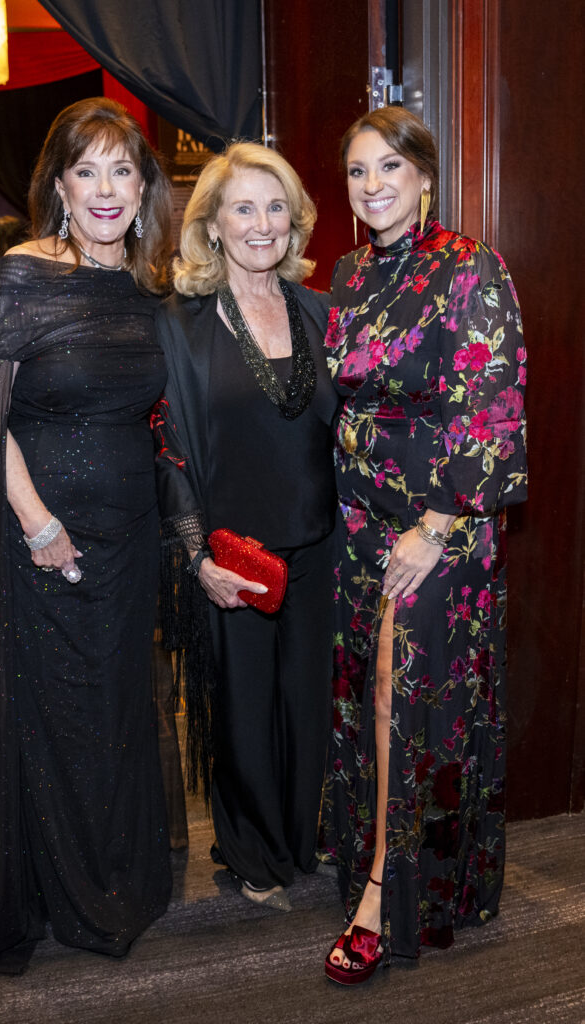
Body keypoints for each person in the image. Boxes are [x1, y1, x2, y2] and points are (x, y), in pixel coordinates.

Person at [0, 97, 175, 973]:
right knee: (55, 703)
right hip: (48, 533)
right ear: (59, 186)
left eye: (121, 170)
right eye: (85, 170)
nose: (105, 189)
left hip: (129, 530)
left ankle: (112, 871)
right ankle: (55, 888)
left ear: (142, 188)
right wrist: (38, 527)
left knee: (115, 701)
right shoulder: (26, 272)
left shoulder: (148, 286)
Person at [321, 107, 527, 984]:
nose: (372, 186)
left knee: (403, 692)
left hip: (440, 521)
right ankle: (423, 871)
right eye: (358, 172)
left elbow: (491, 404)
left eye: (389, 169)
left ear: (424, 177)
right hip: (360, 515)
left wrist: (435, 526)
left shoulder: (470, 267)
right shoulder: (348, 270)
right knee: (369, 691)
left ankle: (383, 894)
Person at [155, 142, 337, 911]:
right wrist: (196, 553)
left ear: (292, 221)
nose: (261, 223)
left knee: (307, 701)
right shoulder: (182, 323)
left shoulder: (321, 310)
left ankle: (300, 842)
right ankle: (249, 850)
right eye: (242, 207)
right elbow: (166, 448)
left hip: (322, 542)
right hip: (235, 551)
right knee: (238, 708)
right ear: (213, 224)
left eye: (274, 206)